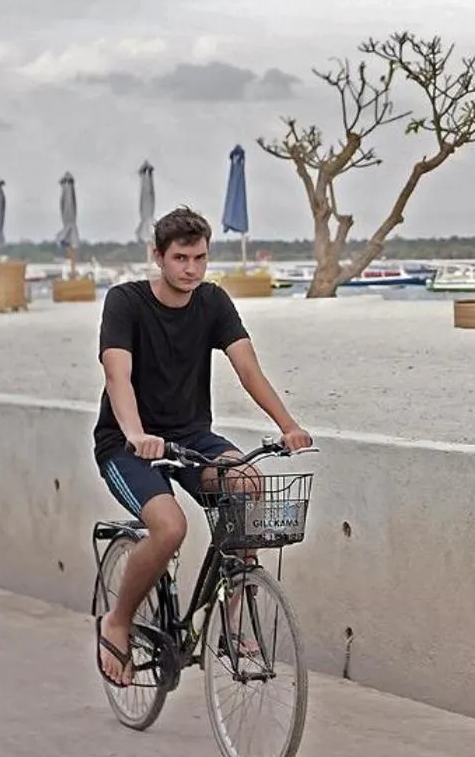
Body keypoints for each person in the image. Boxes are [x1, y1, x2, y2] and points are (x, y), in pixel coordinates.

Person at [94, 206, 312, 685]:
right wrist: (134, 433)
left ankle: (232, 617)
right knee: (169, 529)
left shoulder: (212, 302)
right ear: (158, 257)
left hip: (191, 437)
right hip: (127, 445)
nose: (191, 269)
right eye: (180, 258)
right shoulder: (125, 302)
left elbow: (248, 368)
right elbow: (118, 377)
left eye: (199, 258)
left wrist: (288, 425)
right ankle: (119, 619)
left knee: (247, 482)